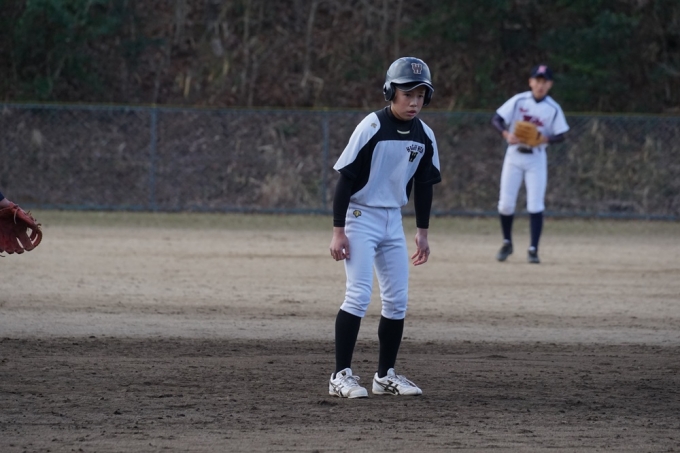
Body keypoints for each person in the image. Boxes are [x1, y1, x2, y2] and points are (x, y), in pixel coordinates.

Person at [328, 57, 441, 398]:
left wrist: (422, 232)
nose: (414, 101)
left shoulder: (425, 135)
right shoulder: (372, 126)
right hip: (360, 216)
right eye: (407, 94)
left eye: (421, 95)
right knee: (358, 295)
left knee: (397, 301)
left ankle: (384, 376)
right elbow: (345, 179)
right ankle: (340, 376)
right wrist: (338, 230)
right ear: (391, 92)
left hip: (393, 219)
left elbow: (424, 185)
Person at [491, 64, 569, 264]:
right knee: (505, 204)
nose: (540, 85)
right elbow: (497, 119)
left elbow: (562, 134)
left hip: (536, 157)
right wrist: (506, 134)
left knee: (535, 204)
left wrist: (545, 139)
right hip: (514, 155)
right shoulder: (519, 100)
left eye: (544, 82)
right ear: (531, 82)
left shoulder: (553, 108)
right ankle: (507, 242)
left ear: (550, 84)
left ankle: (533, 249)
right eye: (537, 80)